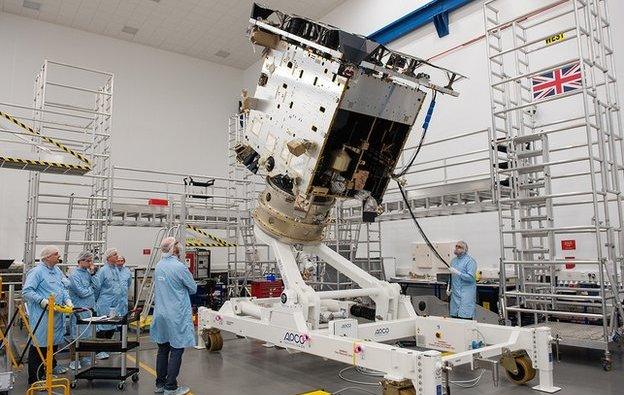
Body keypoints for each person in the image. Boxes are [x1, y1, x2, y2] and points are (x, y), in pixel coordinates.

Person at [151, 237, 197, 395]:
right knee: (177, 349)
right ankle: (170, 387)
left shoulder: (158, 266)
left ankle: (160, 384)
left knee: (162, 349)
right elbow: (193, 288)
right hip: (176, 314)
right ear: (175, 250)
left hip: (161, 313)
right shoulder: (179, 267)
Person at [22, 245, 73, 384]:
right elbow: (26, 291)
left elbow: (62, 288)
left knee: (53, 345)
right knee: (40, 346)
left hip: (57, 316)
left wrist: (67, 300)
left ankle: (47, 373)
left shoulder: (57, 271)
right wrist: (42, 301)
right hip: (42, 316)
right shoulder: (37, 272)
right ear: (47, 257)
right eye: (56, 254)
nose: (59, 256)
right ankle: (35, 379)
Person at [67, 251, 96, 370]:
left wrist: (93, 274)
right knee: (76, 335)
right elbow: (82, 292)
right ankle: (74, 360)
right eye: (88, 261)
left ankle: (85, 357)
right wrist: (91, 288)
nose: (90, 263)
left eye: (91, 261)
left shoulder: (87, 273)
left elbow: (93, 287)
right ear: (80, 261)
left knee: (87, 335)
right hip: (79, 309)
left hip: (88, 308)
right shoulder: (74, 275)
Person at [92, 248, 123, 360]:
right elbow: (97, 287)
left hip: (114, 303)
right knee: (103, 326)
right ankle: (99, 351)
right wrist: (96, 302)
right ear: (108, 257)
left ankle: (108, 347)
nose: (117, 256)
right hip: (105, 302)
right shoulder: (103, 270)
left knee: (112, 326)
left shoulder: (116, 270)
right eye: (114, 254)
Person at [448, 241, 477, 319]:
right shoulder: (453, 261)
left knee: (465, 318)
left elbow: (471, 278)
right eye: (456, 246)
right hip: (455, 295)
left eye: (459, 247)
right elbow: (451, 277)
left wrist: (459, 273)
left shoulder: (470, 261)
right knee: (454, 319)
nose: (457, 248)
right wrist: (449, 288)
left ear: (465, 250)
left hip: (466, 295)